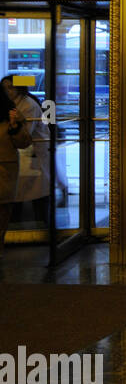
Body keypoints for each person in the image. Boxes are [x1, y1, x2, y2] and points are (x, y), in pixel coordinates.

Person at [1, 75, 53, 218]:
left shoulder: (27, 105)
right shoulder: (15, 103)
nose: (7, 91)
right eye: (4, 88)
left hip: (33, 153)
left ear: (19, 88)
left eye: (11, 88)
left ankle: (39, 228)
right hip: (27, 156)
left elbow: (25, 135)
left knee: (33, 194)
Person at [0, 85, 33, 259]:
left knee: (2, 215)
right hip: (5, 170)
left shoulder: (11, 115)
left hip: (4, 172)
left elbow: (24, 142)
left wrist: (15, 127)